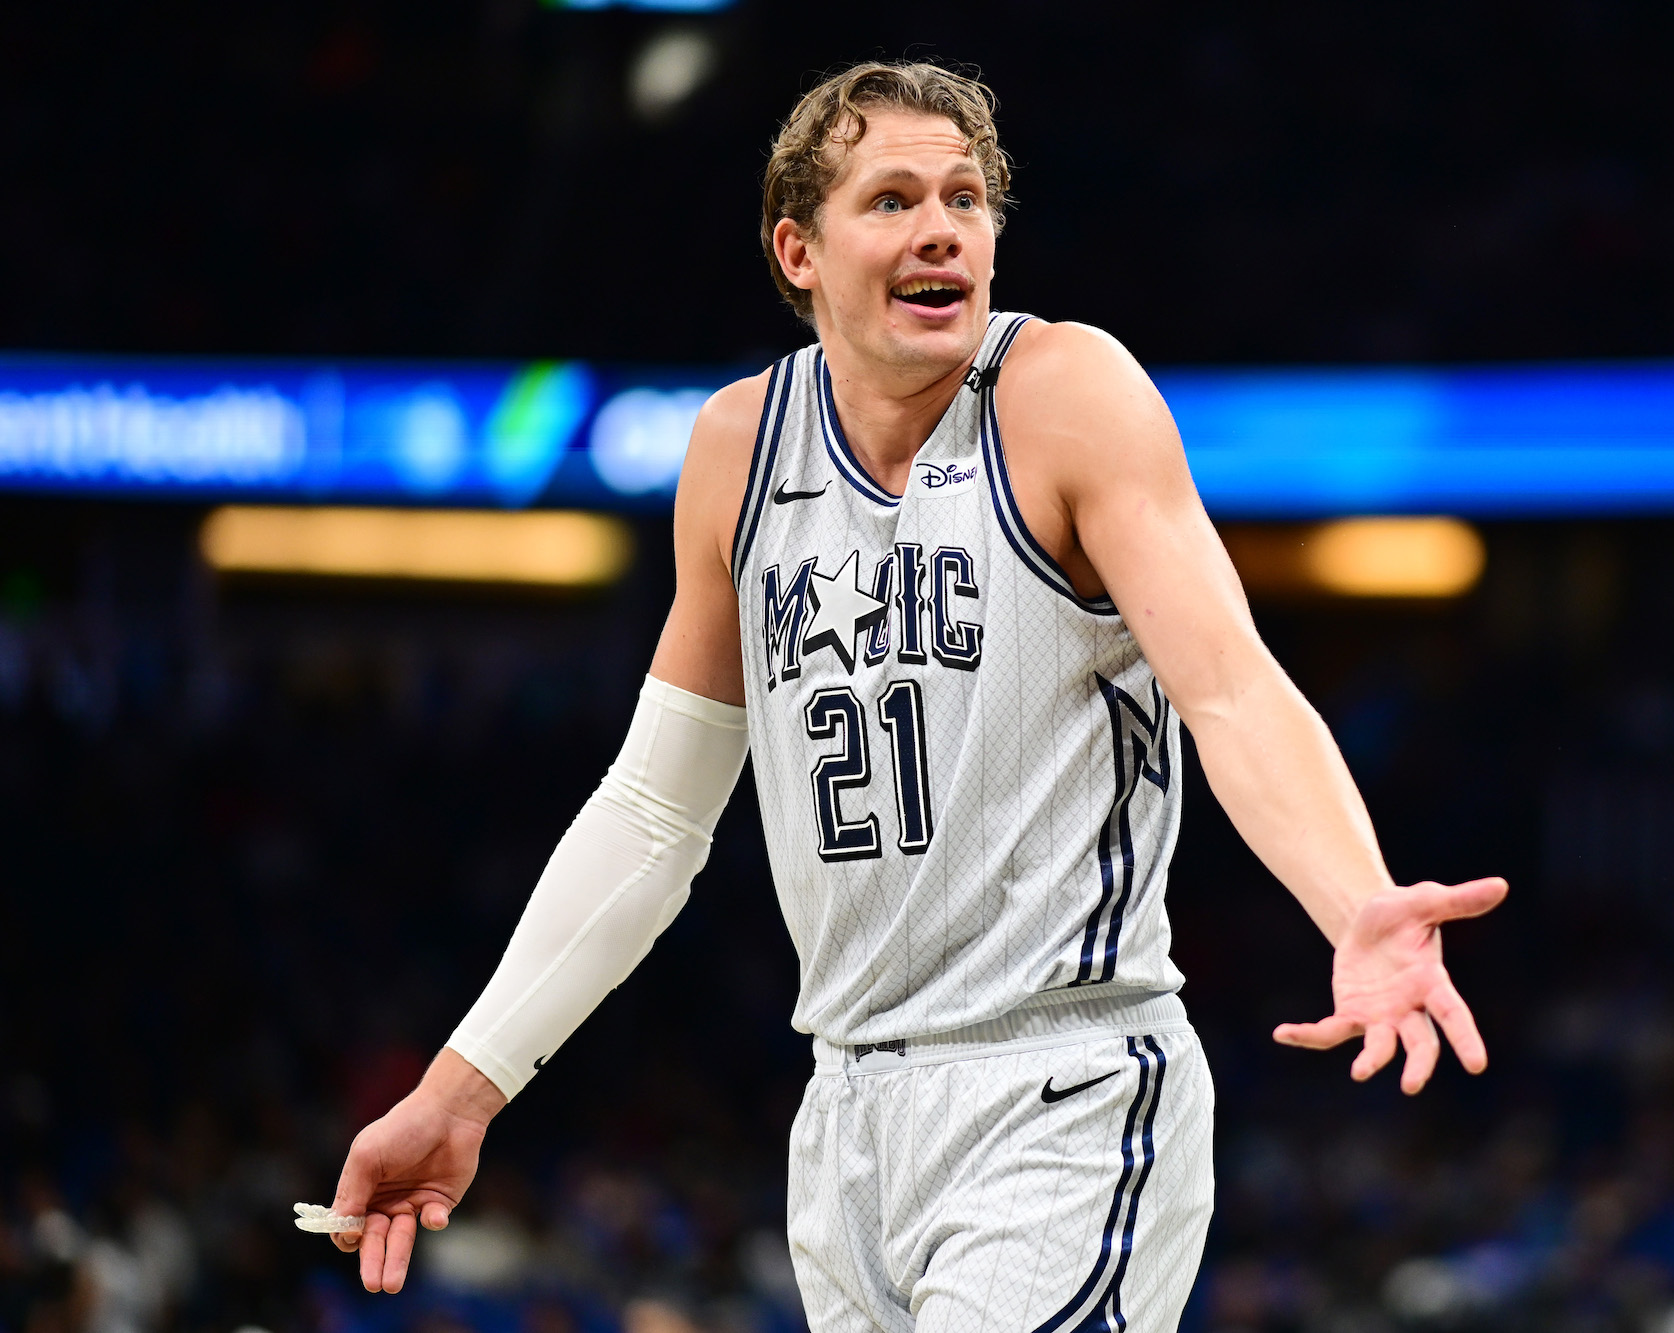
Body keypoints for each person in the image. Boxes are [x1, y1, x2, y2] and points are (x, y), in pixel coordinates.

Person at [324, 61, 1508, 1331]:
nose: (941, 225)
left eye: (964, 198)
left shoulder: (1063, 395)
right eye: (890, 200)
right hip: (843, 1120)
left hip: (1061, 1082)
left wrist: (1357, 902)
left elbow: (1229, 689)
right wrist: (461, 1090)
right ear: (799, 252)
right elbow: (654, 817)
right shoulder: (736, 448)